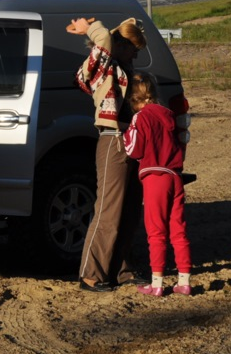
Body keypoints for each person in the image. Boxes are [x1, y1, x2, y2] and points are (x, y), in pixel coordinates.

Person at [69, 16, 148, 292]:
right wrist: (92, 27)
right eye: (133, 48)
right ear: (119, 44)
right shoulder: (101, 67)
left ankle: (121, 271)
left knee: (128, 211)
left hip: (130, 141)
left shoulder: (124, 69)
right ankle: (91, 275)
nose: (136, 54)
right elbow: (102, 40)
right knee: (108, 211)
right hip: (112, 140)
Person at [122, 71, 192, 296]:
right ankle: (184, 280)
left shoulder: (140, 118)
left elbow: (134, 150)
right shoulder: (169, 115)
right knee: (178, 229)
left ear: (133, 98)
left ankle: (157, 283)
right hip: (174, 175)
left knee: (156, 232)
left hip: (154, 177)